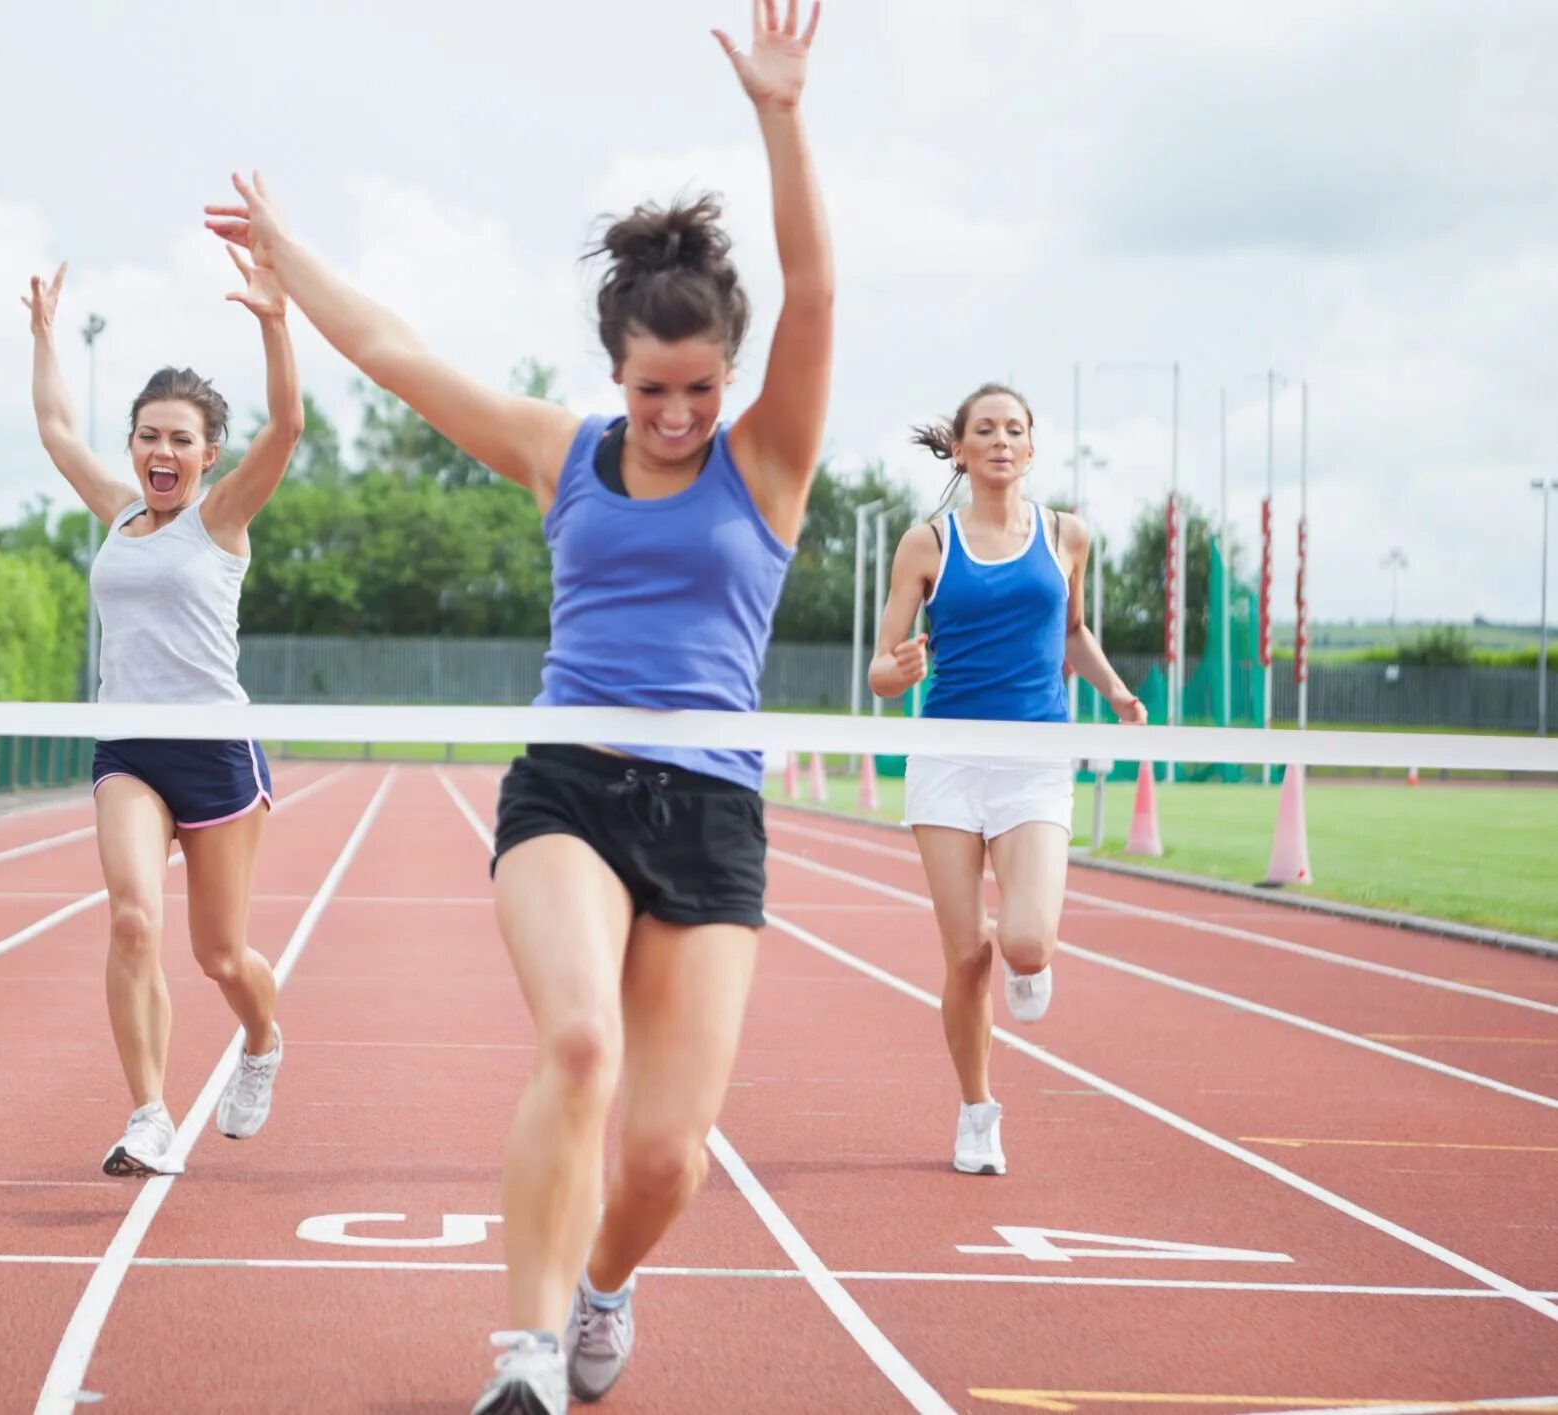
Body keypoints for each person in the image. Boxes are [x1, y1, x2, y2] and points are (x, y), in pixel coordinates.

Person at [206, 5, 828, 1409]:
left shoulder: (768, 460)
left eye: (699, 388)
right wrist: (283, 252)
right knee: (578, 1045)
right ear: (614, 371)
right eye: (652, 388)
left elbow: (818, 291)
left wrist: (779, 121)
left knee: (667, 1153)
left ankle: (604, 1285)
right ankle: (528, 1351)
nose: (676, 413)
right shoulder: (565, 456)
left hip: (713, 813)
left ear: (729, 376)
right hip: (568, 790)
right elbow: (399, 355)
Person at [21, 249, 304, 1177]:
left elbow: (290, 424)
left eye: (180, 439)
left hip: (215, 750)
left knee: (222, 956)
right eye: (148, 436)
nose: (161, 453)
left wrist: (273, 320)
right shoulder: (115, 512)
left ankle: (261, 1039)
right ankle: (150, 1112)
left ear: (207, 453)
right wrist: (43, 335)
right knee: (132, 919)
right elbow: (59, 427)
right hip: (131, 748)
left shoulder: (221, 520)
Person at [868, 382, 1145, 1178]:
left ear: (1031, 448)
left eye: (1013, 429)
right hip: (949, 761)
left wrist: (1113, 689)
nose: (998, 439)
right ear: (959, 448)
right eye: (983, 429)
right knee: (965, 957)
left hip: (1034, 762)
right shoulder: (927, 543)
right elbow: (882, 670)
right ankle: (977, 1111)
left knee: (1025, 942)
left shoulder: (1066, 534)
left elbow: (1073, 630)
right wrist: (902, 665)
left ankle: (1032, 960)